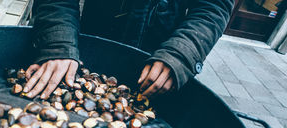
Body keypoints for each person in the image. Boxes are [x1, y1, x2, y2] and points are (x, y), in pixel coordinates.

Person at [23, 0, 234, 100]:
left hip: (156, 68)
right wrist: (58, 43)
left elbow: (212, 8)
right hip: (84, 58)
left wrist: (180, 54)